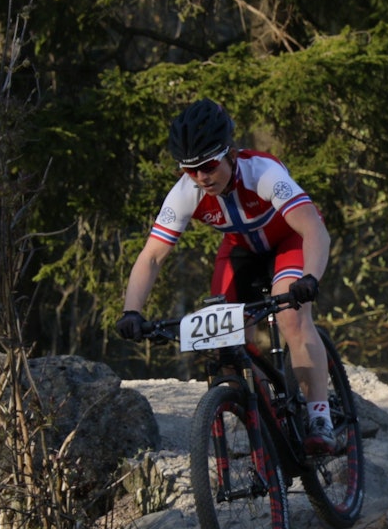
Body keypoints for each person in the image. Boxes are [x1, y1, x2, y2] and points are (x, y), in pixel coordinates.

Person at [115, 98, 336, 453]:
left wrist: (310, 277)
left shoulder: (262, 173)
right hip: (241, 250)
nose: (201, 177)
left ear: (230, 152)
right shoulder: (187, 192)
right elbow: (153, 256)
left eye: (208, 165)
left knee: (291, 317)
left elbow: (313, 229)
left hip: (290, 239)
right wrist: (131, 311)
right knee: (223, 340)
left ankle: (320, 414)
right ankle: (264, 414)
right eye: (190, 169)